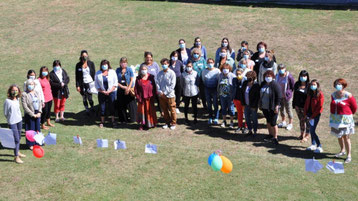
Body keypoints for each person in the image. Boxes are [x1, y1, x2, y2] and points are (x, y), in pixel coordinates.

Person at [330, 78, 357, 163]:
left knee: (346, 137)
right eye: (336, 84)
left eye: (339, 84)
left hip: (346, 120)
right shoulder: (333, 95)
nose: (338, 86)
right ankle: (342, 150)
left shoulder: (348, 95)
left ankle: (349, 155)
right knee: (339, 136)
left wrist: (349, 114)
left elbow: (354, 107)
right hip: (336, 120)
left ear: (343, 85)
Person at [3, 85, 26, 163]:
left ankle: (17, 152)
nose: (15, 92)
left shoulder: (17, 99)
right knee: (16, 139)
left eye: (16, 90)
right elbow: (5, 112)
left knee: (19, 137)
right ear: (10, 91)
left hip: (19, 120)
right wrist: (9, 119)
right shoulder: (7, 101)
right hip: (12, 122)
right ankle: (16, 157)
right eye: (13, 90)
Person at [259, 70, 282, 145]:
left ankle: (275, 137)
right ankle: (270, 134)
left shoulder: (275, 85)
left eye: (269, 76)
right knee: (268, 121)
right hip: (265, 107)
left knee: (273, 122)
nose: (268, 78)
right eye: (266, 76)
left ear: (272, 77)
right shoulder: (263, 84)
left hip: (273, 107)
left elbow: (279, 96)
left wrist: (276, 106)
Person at [94, 60, 118, 128]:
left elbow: (115, 82)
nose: (104, 66)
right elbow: (96, 85)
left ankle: (113, 120)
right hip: (102, 93)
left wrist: (110, 91)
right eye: (103, 64)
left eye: (106, 64)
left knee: (112, 106)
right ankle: (102, 121)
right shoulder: (98, 73)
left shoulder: (112, 72)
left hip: (111, 92)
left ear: (108, 65)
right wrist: (103, 91)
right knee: (102, 107)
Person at [304, 79, 324, 153]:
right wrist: (305, 114)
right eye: (311, 85)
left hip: (315, 115)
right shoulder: (310, 93)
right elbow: (306, 104)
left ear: (317, 85)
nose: (313, 86)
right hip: (309, 114)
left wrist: (313, 116)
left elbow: (319, 106)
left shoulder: (320, 94)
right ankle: (313, 144)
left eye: (314, 84)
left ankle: (319, 146)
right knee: (310, 129)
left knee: (312, 130)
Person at [135, 64, 157, 130]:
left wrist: (153, 96)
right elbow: (136, 89)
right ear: (140, 70)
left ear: (147, 70)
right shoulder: (138, 78)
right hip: (141, 98)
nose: (144, 71)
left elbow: (154, 87)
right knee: (142, 111)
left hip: (149, 98)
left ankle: (151, 124)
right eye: (142, 69)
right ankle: (142, 124)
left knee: (150, 111)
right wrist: (138, 97)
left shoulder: (151, 77)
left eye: (145, 69)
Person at [22, 79, 43, 150]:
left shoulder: (36, 92)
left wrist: (39, 112)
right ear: (27, 85)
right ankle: (30, 144)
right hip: (30, 114)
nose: (31, 86)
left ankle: (37, 142)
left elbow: (40, 102)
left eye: (32, 84)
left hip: (37, 112)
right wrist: (32, 114)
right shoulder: (24, 94)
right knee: (30, 129)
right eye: (29, 84)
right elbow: (25, 106)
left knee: (37, 128)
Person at [156, 58, 177, 130]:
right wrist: (160, 92)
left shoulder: (172, 73)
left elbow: (172, 85)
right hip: (161, 95)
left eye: (165, 64)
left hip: (170, 95)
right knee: (164, 109)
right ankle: (167, 122)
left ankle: (173, 123)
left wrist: (165, 93)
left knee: (172, 109)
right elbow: (157, 84)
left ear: (168, 64)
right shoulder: (159, 73)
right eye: (163, 64)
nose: (164, 65)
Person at [116, 57, 137, 123]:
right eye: (122, 62)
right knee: (121, 104)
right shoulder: (117, 70)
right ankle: (123, 119)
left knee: (131, 104)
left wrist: (128, 88)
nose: (123, 64)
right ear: (120, 63)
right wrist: (122, 87)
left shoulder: (129, 69)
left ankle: (133, 118)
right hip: (121, 88)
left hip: (129, 88)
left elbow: (131, 80)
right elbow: (116, 81)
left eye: (125, 62)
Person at [75, 50, 95, 115]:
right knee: (84, 97)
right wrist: (77, 85)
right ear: (81, 56)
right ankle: (87, 109)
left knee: (90, 97)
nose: (84, 57)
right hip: (82, 83)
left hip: (90, 83)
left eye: (85, 55)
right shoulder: (78, 65)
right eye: (83, 56)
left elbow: (94, 73)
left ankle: (92, 107)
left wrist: (95, 83)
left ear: (87, 55)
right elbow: (77, 76)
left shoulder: (91, 63)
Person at [276, 64, 295, 130]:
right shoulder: (277, 75)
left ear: (285, 69)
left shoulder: (289, 77)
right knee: (281, 110)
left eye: (282, 68)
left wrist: (288, 93)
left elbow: (293, 86)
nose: (281, 70)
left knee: (288, 110)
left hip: (287, 97)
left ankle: (290, 123)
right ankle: (283, 121)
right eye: (280, 69)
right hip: (280, 96)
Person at [293, 70, 310, 142]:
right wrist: (294, 104)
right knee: (301, 120)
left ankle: (307, 135)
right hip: (297, 105)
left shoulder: (309, 85)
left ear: (307, 77)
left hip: (305, 107)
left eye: (304, 76)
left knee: (307, 121)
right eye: (302, 76)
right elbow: (295, 94)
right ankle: (302, 134)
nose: (303, 77)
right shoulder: (297, 84)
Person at [241, 71, 260, 136]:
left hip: (253, 105)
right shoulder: (245, 83)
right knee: (247, 118)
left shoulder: (256, 85)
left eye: (249, 77)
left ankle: (255, 131)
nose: (248, 78)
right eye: (247, 77)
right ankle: (249, 130)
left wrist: (254, 106)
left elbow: (257, 97)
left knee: (254, 118)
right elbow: (242, 93)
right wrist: (243, 103)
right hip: (246, 104)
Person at [202, 58, 220, 124]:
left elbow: (219, 80)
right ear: (207, 63)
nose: (210, 64)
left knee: (215, 104)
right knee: (209, 104)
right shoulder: (204, 71)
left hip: (215, 89)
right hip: (207, 89)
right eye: (209, 62)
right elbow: (203, 79)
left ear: (214, 63)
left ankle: (216, 118)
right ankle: (210, 117)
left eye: (211, 62)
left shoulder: (217, 71)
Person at [218, 64, 235, 128]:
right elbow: (218, 84)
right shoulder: (220, 75)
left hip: (230, 96)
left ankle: (231, 122)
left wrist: (233, 95)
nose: (225, 70)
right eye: (224, 69)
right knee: (223, 108)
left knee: (231, 109)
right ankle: (224, 121)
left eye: (227, 68)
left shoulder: (232, 76)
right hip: (222, 95)